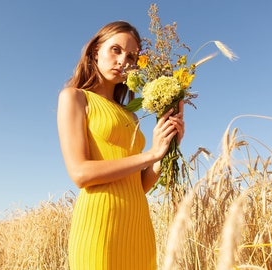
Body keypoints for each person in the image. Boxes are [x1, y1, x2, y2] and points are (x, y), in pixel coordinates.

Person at [57, 21, 185, 270]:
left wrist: (166, 148)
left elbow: (139, 185)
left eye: (131, 56)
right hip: (100, 225)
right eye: (115, 50)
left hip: (138, 226)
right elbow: (80, 174)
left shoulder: (132, 115)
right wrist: (150, 154)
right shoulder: (75, 97)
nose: (123, 61)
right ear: (95, 51)